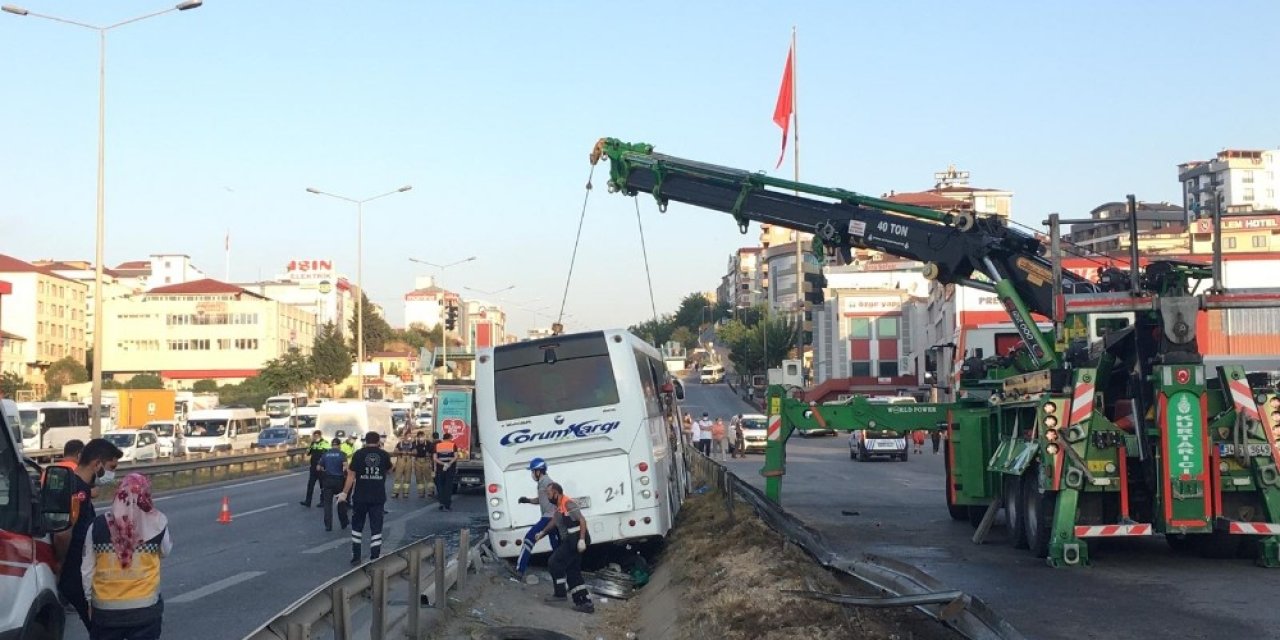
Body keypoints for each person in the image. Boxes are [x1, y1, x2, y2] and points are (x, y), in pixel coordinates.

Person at [81, 473, 171, 640]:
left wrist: (88, 601)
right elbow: (166, 551)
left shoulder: (96, 525)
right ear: (146, 496)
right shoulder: (158, 523)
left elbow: (87, 569)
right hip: (145, 609)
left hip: (105, 612)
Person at [57, 438, 123, 632]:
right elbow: (63, 533)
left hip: (78, 571)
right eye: (111, 467)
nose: (111, 473)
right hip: (74, 573)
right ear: (97, 464)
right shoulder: (76, 490)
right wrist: (60, 565)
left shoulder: (80, 487)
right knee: (101, 629)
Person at [535, 482, 594, 614]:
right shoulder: (559, 506)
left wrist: (582, 540)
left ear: (556, 493)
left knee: (554, 562)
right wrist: (542, 533)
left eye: (549, 494)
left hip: (574, 541)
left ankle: (560, 593)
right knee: (573, 571)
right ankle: (585, 602)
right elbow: (554, 522)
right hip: (570, 541)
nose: (548, 496)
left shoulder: (568, 504)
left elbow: (582, 520)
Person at [339, 432, 393, 564]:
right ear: (378, 441)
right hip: (378, 497)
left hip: (360, 497)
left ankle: (356, 556)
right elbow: (390, 470)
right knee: (376, 528)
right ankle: (375, 556)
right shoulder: (384, 454)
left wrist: (344, 493)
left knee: (357, 527)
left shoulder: (358, 454)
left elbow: (351, 475)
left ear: (365, 440)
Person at [515, 457, 559, 578]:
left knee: (529, 539)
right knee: (556, 547)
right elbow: (542, 500)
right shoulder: (543, 482)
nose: (532, 474)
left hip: (548, 518)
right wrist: (527, 500)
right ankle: (562, 573)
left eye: (533, 471)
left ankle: (520, 570)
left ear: (539, 471)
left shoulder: (546, 482)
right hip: (553, 518)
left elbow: (555, 496)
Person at [319, 437, 349, 531]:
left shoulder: (325, 454)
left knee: (327, 504)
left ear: (332, 445)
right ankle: (344, 522)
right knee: (340, 502)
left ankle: (328, 525)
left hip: (327, 480)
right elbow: (345, 468)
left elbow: (318, 467)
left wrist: (325, 470)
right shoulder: (342, 454)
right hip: (339, 481)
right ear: (339, 445)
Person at [301, 430, 329, 507]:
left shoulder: (325, 444)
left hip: (322, 468)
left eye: (316, 436)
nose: (315, 437)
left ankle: (323, 501)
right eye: (314, 436)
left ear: (320, 436)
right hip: (313, 467)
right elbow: (308, 453)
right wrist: (309, 446)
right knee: (310, 485)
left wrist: (321, 464)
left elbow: (326, 456)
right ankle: (308, 501)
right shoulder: (313, 443)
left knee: (322, 485)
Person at [434, 433, 456, 511]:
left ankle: (441, 503)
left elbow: (435, 458)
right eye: (451, 438)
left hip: (440, 469)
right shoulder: (453, 445)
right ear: (449, 438)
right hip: (450, 469)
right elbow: (455, 457)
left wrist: (443, 464)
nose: (451, 439)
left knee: (440, 487)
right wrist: (448, 463)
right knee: (448, 487)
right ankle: (447, 505)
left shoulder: (437, 445)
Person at [391, 429, 416, 499]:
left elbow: (415, 452)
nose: (409, 438)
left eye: (410, 436)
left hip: (409, 461)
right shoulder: (399, 444)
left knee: (407, 478)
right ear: (405, 436)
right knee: (398, 477)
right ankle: (395, 493)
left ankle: (405, 493)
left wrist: (409, 453)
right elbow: (395, 452)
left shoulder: (412, 444)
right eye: (408, 436)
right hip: (400, 460)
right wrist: (401, 452)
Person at [413, 431, 435, 498]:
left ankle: (431, 491)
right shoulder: (414, 443)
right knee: (419, 478)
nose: (421, 438)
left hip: (426, 461)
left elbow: (433, 452)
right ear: (417, 437)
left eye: (422, 436)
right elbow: (411, 450)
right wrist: (413, 451)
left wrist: (430, 454)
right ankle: (421, 493)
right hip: (417, 461)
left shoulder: (429, 443)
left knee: (428, 477)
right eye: (419, 437)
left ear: (424, 436)